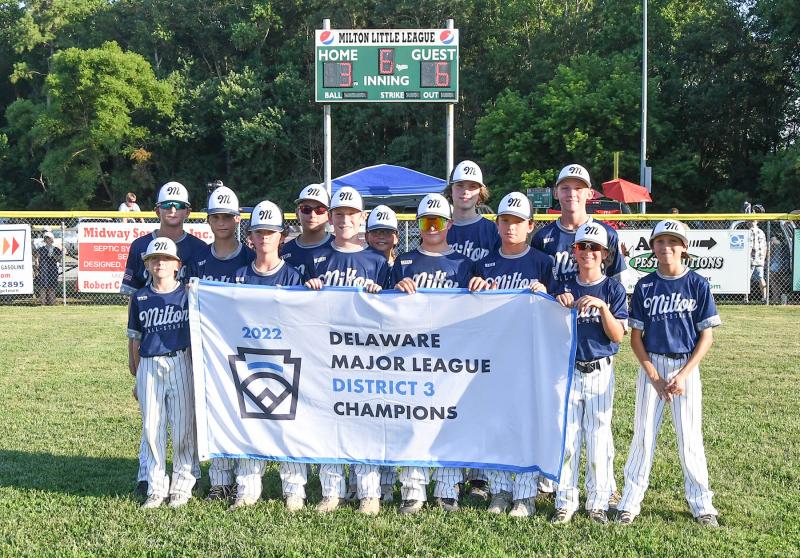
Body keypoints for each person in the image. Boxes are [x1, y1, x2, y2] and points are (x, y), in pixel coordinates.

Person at [616, 219, 721, 528]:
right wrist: (654, 376)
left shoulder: (698, 283)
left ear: (684, 247)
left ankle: (703, 505)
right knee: (643, 437)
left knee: (690, 438)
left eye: (673, 241)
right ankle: (629, 502)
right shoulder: (646, 286)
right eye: (660, 241)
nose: (666, 247)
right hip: (653, 367)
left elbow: (707, 337)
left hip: (685, 368)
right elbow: (636, 338)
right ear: (652, 248)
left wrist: (684, 374)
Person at [530, 163, 625, 502]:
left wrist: (605, 314)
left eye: (578, 187)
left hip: (593, 336)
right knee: (560, 413)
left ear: (589, 193)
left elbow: (614, 283)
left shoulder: (606, 234)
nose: (571, 194)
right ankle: (553, 478)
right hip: (557, 332)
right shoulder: (543, 236)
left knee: (599, 420)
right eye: (565, 187)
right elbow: (539, 277)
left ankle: (606, 484)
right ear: (557, 192)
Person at [392, 193, 488, 515]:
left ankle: (448, 489)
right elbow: (387, 311)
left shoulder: (463, 263)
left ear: (449, 224)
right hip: (412, 354)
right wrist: (395, 290)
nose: (432, 228)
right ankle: (412, 489)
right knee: (412, 420)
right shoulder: (403, 261)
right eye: (425, 222)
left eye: (438, 222)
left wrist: (478, 286)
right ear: (418, 224)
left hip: (450, 355)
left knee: (447, 421)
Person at [304, 186, 389, 516]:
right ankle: (331, 490)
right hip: (325, 352)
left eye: (351, 214)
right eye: (338, 214)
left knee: (365, 419)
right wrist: (308, 290)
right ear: (330, 217)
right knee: (329, 419)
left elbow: (390, 314)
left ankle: (369, 491)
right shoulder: (318, 257)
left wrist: (381, 293)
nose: (343, 220)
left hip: (365, 353)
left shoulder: (376, 260)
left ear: (362, 218)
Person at [121, 181, 208, 498]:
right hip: (151, 348)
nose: (173, 211)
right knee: (152, 420)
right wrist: (133, 358)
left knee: (185, 419)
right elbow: (134, 304)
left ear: (188, 211)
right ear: (157, 209)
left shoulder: (198, 249)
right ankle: (148, 475)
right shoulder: (140, 245)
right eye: (167, 205)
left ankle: (187, 477)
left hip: (183, 350)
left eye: (179, 206)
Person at [478, 192, 554, 517]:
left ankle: (524, 495)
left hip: (530, 357)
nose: (511, 227)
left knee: (526, 424)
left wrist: (547, 294)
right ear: (497, 224)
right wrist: (476, 290)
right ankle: (499, 490)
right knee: (495, 423)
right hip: (494, 356)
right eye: (505, 220)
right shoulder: (482, 264)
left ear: (530, 226)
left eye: (518, 221)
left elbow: (558, 312)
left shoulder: (543, 262)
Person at [550, 223, 628, 525]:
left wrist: (603, 308)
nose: (588, 253)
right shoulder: (564, 285)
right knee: (567, 439)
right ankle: (565, 501)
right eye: (582, 247)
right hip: (567, 371)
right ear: (574, 251)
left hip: (599, 370)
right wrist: (556, 301)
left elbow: (617, 336)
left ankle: (597, 502)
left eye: (594, 248)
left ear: (605, 254)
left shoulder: (612, 288)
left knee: (598, 437)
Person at [186, 185, 256, 509]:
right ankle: (219, 481)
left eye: (228, 216)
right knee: (214, 413)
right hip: (210, 352)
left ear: (238, 218)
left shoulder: (250, 258)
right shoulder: (199, 260)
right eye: (216, 216)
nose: (223, 222)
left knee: (245, 414)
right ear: (208, 220)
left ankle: (244, 481)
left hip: (244, 350)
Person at [233, 200, 305, 511]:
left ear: (282, 237)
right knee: (249, 422)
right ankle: (247, 489)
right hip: (248, 361)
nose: (264, 238)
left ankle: (294, 490)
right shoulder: (238, 276)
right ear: (250, 237)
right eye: (259, 232)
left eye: (271, 232)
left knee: (288, 424)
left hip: (284, 361)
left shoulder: (292, 277)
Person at [127, 237, 196, 509]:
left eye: (166, 259)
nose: (160, 263)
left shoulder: (188, 295)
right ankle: (156, 488)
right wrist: (136, 375)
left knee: (182, 428)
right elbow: (134, 338)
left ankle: (181, 486)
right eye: (154, 259)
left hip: (180, 362)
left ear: (177, 264)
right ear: (147, 264)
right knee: (152, 428)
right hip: (149, 365)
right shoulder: (140, 297)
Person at [446, 160, 501, 263]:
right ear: (450, 189)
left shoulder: (492, 230)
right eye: (460, 185)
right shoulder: (438, 229)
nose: (466, 191)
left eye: (472, 186)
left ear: (480, 191)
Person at [280, 184, 333, 279]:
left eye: (320, 210)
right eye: (306, 209)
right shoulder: (285, 251)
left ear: (328, 216)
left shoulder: (337, 248)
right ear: (297, 213)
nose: (312, 215)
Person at [34, 231, 61, 305]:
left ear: (52, 239)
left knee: (51, 287)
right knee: (43, 287)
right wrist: (36, 270)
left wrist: (53, 254)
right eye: (46, 238)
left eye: (49, 238)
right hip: (43, 269)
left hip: (52, 270)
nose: (48, 240)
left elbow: (59, 260)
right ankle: (43, 303)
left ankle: (51, 303)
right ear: (44, 240)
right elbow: (37, 260)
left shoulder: (56, 249)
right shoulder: (40, 249)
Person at [748, 219, 767, 303]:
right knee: (760, 278)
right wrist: (764, 258)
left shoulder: (749, 232)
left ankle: (746, 298)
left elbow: (749, 246)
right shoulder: (761, 232)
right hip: (759, 258)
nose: (750, 222)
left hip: (751, 258)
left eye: (751, 221)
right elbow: (765, 247)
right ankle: (765, 297)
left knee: (747, 278)